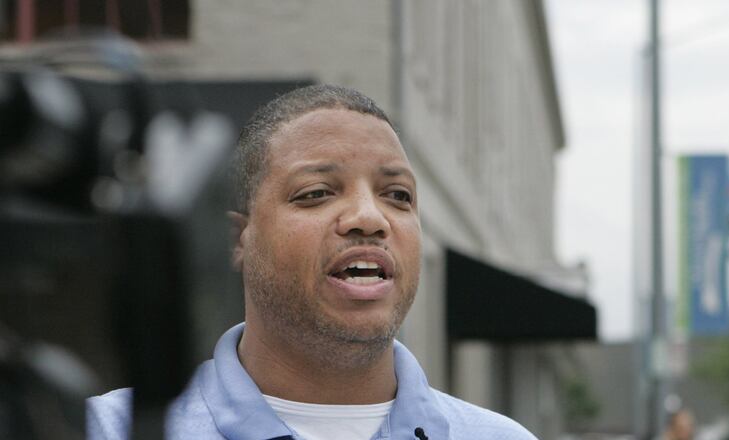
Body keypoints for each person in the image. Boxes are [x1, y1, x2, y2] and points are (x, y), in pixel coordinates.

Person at [86, 84, 537, 440]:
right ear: (237, 239)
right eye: (316, 193)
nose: (369, 218)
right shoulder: (104, 430)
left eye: (398, 195)